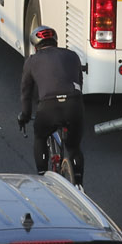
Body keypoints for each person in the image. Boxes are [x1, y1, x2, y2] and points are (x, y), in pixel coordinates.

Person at [18, 26, 85, 186]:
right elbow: (79, 82)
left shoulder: (31, 61)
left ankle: (42, 176)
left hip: (49, 107)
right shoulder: (73, 55)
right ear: (55, 41)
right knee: (74, 147)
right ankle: (79, 185)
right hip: (74, 104)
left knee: (40, 136)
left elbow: (26, 93)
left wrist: (25, 116)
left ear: (35, 46)